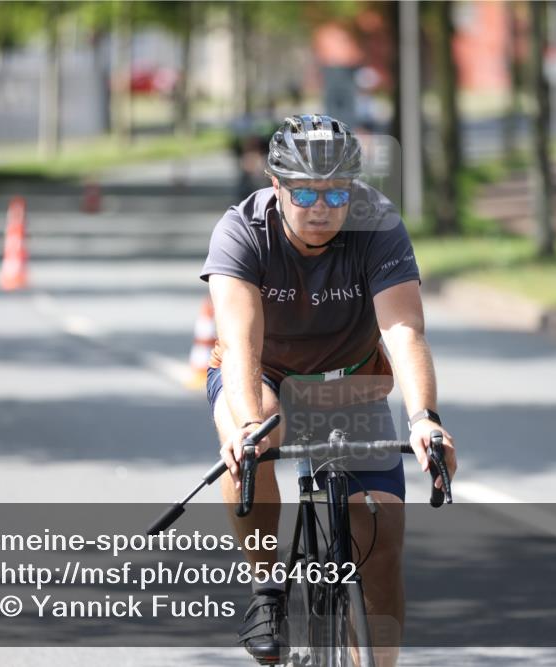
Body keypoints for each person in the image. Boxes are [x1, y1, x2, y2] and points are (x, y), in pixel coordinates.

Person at [200, 114, 457, 666]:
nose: (321, 207)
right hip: (263, 376)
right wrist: (247, 428)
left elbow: (404, 329)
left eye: (338, 193)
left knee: (382, 546)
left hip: (349, 383)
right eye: (305, 193)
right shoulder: (241, 231)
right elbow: (240, 346)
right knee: (256, 437)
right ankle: (267, 589)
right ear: (276, 185)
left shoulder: (378, 224)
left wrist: (424, 419)